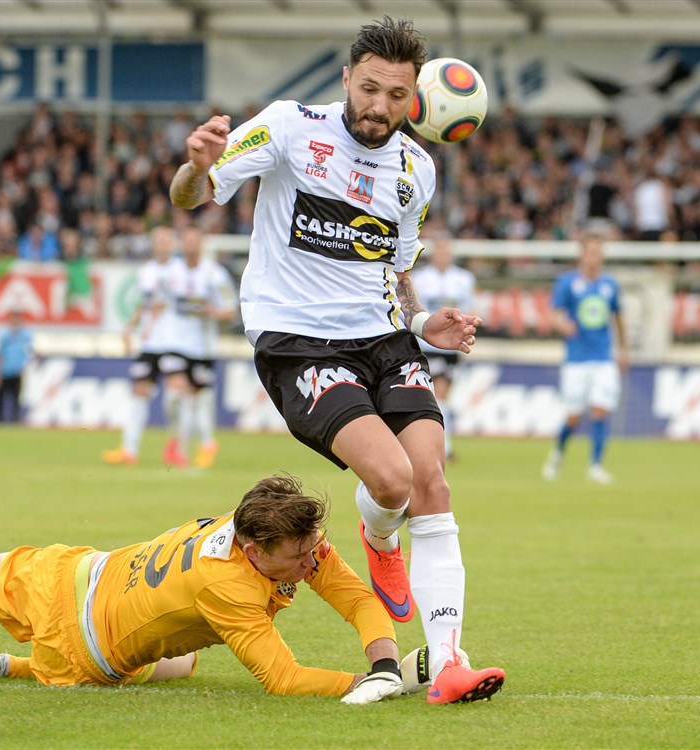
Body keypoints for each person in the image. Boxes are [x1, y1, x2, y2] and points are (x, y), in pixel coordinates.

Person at [169, 16, 504, 703]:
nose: (380, 106)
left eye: (397, 95)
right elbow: (191, 194)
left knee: (430, 479)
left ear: (416, 101)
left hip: (383, 336)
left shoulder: (417, 169)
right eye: (370, 88)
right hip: (296, 340)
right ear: (347, 79)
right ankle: (380, 533)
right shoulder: (290, 126)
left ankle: (448, 665)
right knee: (392, 480)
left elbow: (394, 269)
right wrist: (195, 168)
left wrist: (420, 320)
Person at [0, 474, 410, 704]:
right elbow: (284, 679)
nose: (313, 562)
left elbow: (355, 597)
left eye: (311, 550)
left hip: (83, 574)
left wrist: (383, 657)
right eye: (299, 557)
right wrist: (375, 682)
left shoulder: (268, 535)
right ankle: (2, 663)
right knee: (172, 661)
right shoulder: (233, 587)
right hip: (87, 647)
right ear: (255, 551)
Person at [542, 232, 628, 484]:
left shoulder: (610, 285)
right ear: (582, 254)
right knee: (573, 415)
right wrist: (562, 324)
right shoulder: (568, 282)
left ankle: (596, 465)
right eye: (590, 252)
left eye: (597, 252)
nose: (594, 257)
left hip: (603, 357)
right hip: (576, 359)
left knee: (601, 410)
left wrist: (623, 350)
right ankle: (557, 454)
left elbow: (618, 318)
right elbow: (555, 312)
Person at [102, 226, 187, 466]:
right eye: (158, 240)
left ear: (173, 244)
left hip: (174, 341)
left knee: (174, 397)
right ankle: (129, 450)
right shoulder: (146, 272)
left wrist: (154, 316)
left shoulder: (180, 271)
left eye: (165, 240)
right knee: (138, 393)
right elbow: (145, 303)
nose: (161, 245)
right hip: (150, 343)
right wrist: (129, 328)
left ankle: (175, 446)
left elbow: (169, 303)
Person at [161, 225, 239, 469]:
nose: (190, 245)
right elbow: (160, 302)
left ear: (202, 244)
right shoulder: (171, 272)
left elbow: (230, 311)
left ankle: (196, 445)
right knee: (174, 395)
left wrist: (211, 312)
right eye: (186, 241)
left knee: (192, 399)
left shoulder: (214, 274)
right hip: (175, 342)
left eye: (195, 241)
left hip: (202, 347)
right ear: (181, 244)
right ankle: (182, 444)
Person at [410, 235, 477, 462]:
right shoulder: (419, 278)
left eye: (446, 250)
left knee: (441, 396)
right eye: (439, 250)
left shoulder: (464, 279)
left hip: (452, 347)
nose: (442, 254)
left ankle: (436, 444)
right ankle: (443, 447)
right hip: (426, 344)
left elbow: (468, 308)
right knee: (439, 393)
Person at [0, 310, 35, 424]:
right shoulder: (4, 335)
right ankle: (0, 422)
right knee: (1, 399)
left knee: (16, 399)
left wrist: (26, 368)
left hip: (18, 372)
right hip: (5, 371)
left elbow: (29, 353)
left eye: (18, 318)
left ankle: (15, 422)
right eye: (13, 318)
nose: (15, 320)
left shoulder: (26, 336)